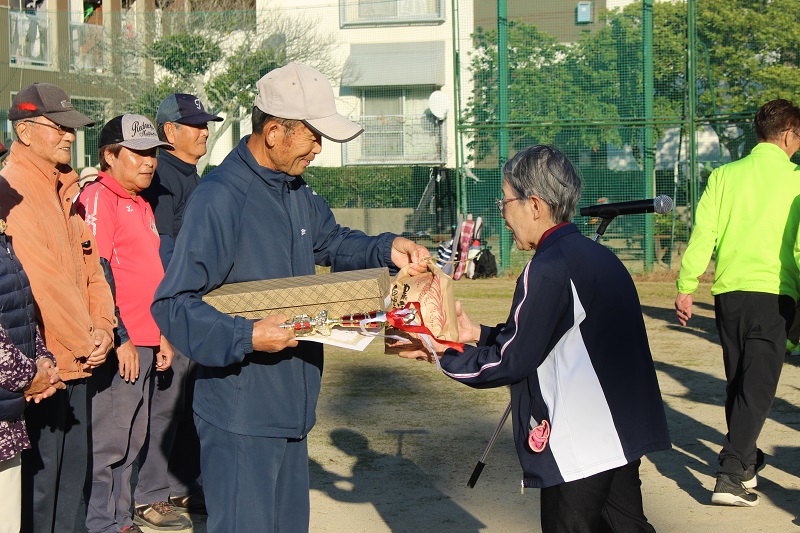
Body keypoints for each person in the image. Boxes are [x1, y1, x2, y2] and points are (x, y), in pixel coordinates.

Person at [151, 61, 431, 533]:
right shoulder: (221, 197)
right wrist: (246, 335)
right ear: (275, 131)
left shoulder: (296, 190)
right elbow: (173, 303)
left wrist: (385, 247)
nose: (319, 150)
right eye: (313, 137)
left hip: (292, 408)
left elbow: (332, 242)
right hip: (241, 413)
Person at [409, 145, 671, 533]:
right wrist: (475, 334)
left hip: (582, 440)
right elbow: (550, 338)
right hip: (620, 431)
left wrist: (441, 352)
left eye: (505, 202)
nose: (503, 213)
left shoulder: (547, 267)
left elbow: (513, 360)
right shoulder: (600, 258)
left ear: (534, 205)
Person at [0, 82, 116, 532]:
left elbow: (92, 269)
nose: (70, 135)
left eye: (73, 127)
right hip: (45, 369)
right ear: (25, 132)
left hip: (77, 359)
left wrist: (105, 328)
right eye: (59, 126)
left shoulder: (62, 188)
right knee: (41, 494)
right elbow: (42, 285)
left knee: (72, 486)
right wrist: (88, 340)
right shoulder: (16, 190)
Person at [675, 99, 800, 507]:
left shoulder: (725, 175)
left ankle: (745, 464)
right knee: (758, 389)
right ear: (787, 135)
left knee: (739, 384)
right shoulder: (797, 180)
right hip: (774, 293)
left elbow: (704, 231)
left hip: (729, 294)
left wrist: (686, 283)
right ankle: (730, 475)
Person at [76, 114, 179, 533]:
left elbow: (149, 274)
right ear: (109, 155)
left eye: (152, 152)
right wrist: (118, 337)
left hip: (148, 338)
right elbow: (95, 272)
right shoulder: (98, 196)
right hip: (123, 344)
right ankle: (102, 522)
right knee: (110, 442)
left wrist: (163, 335)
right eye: (137, 152)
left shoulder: (141, 202)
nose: (149, 161)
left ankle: (119, 519)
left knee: (133, 438)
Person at [136, 94, 222, 523]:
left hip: (195, 304)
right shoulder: (161, 174)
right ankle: (150, 493)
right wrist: (177, 304)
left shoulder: (190, 173)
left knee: (190, 398)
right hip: (172, 307)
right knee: (166, 403)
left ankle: (183, 485)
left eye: (205, 123)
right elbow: (161, 248)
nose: (204, 130)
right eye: (194, 124)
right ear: (170, 131)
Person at [0, 221, 65, 533]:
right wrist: (31, 376)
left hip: (9, 409)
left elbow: (24, 310)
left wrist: (43, 360)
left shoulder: (4, 239)